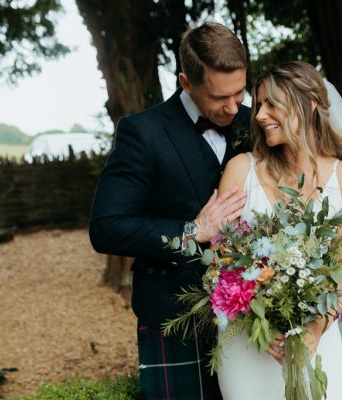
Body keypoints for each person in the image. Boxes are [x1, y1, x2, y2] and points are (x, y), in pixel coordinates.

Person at [89, 22, 250, 400]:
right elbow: (105, 228)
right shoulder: (142, 133)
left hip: (251, 313)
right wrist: (193, 230)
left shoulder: (252, 122)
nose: (232, 107)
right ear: (186, 83)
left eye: (240, 92)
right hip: (178, 317)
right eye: (218, 97)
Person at [216, 61, 342, 399]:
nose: (258, 115)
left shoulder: (341, 176)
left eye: (272, 104)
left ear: (309, 105)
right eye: (258, 105)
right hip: (248, 346)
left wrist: (315, 328)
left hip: (319, 342)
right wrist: (259, 323)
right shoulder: (241, 171)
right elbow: (219, 262)